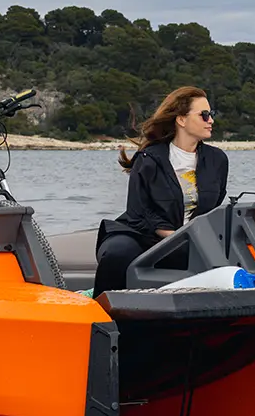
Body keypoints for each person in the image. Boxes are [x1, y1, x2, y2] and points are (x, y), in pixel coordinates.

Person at [93, 87, 227, 292]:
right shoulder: (149, 159)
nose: (211, 121)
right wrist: (175, 236)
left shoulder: (217, 160)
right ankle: (101, 312)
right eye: (204, 115)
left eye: (211, 114)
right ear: (181, 120)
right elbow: (139, 212)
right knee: (117, 255)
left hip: (190, 237)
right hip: (141, 234)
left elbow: (214, 206)